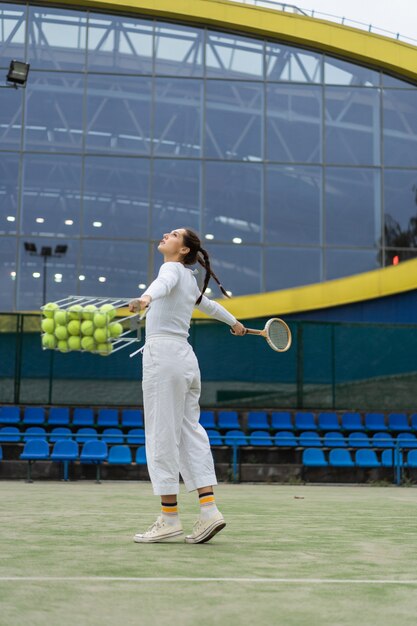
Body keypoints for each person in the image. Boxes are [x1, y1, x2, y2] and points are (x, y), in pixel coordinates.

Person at [129, 228, 245, 544]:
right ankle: (209, 511)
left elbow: (161, 284)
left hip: (163, 357)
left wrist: (145, 298)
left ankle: (169, 518)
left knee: (161, 434)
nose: (167, 234)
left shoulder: (170, 270)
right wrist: (234, 322)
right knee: (188, 431)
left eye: (175, 234)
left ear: (183, 250)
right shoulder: (189, 278)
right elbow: (208, 307)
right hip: (186, 361)